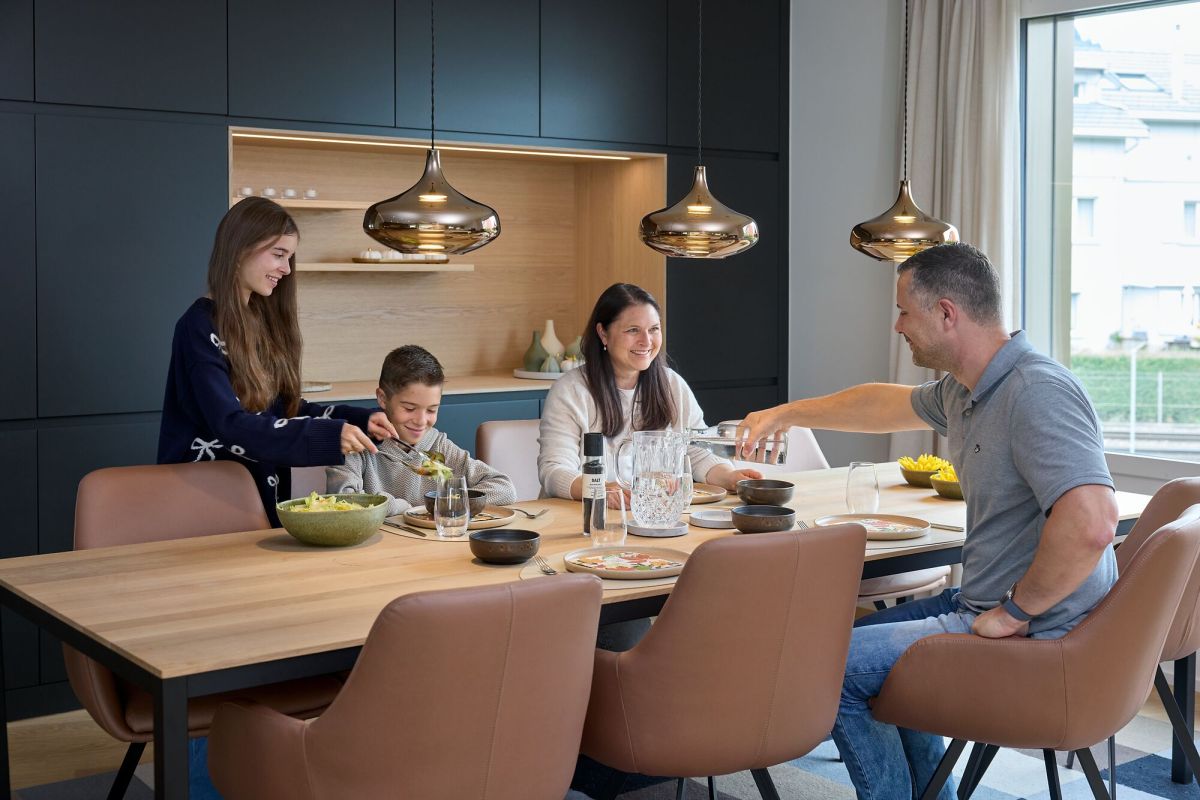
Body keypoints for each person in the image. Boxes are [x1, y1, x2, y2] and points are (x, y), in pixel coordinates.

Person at [735, 243, 1118, 800]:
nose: (897, 326)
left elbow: (1092, 522)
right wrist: (787, 414)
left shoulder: (1034, 391)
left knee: (822, 669)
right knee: (828, 645)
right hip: (983, 608)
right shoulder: (969, 390)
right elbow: (877, 405)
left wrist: (1014, 611)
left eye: (905, 312)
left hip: (1037, 635)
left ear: (945, 313)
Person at [156, 197, 398, 799]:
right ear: (240, 248)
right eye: (278, 255)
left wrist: (358, 418)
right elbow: (232, 423)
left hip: (254, 502)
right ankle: (203, 785)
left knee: (253, 647)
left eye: (291, 258)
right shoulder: (198, 326)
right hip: (202, 502)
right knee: (209, 655)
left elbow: (286, 412)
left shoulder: (262, 320)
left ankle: (268, 774)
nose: (286, 269)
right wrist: (324, 435)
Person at [538, 282, 762, 504]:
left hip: (654, 512)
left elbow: (697, 452)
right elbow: (554, 470)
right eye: (633, 330)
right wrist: (600, 490)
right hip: (582, 518)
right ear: (603, 333)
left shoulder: (672, 385)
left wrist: (731, 477)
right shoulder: (571, 391)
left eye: (654, 329)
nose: (646, 341)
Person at [326, 345, 517, 514]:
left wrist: (443, 505)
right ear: (383, 398)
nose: (421, 421)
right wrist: (401, 508)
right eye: (409, 409)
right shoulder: (355, 442)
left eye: (432, 410)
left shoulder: (439, 446)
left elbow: (504, 488)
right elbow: (342, 501)